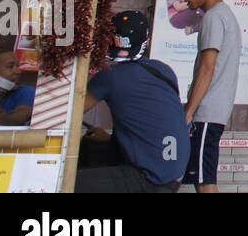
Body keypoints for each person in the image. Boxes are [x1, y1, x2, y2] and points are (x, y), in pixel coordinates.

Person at [77, 11, 190, 192]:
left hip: (150, 179)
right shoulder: (164, 71)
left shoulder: (110, 77)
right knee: (94, 148)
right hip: (173, 175)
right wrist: (111, 139)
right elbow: (151, 120)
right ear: (147, 40)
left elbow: (72, 113)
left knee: (65, 182)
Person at [178, 0, 242, 192]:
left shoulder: (214, 17)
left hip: (206, 112)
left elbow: (207, 67)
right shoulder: (223, 15)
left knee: (205, 183)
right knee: (202, 180)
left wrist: (189, 111)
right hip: (212, 111)